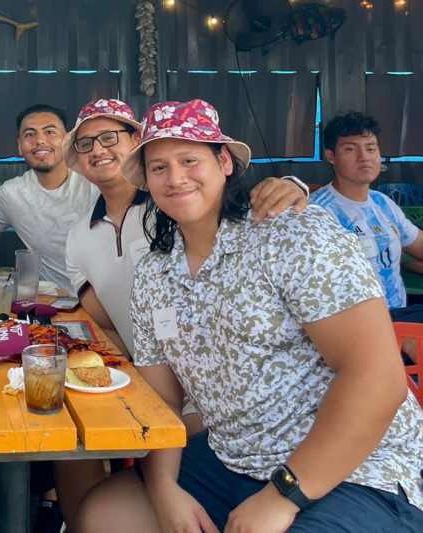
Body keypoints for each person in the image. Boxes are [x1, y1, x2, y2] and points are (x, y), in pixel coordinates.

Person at [75, 99, 423, 533]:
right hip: (233, 457)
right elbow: (164, 402)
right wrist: (163, 487)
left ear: (224, 162)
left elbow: (377, 378)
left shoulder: (294, 234)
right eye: (159, 167)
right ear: (146, 180)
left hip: (355, 467)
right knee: (103, 515)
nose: (175, 177)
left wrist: (285, 494)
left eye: (189, 159)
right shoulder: (154, 273)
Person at [56, 98, 309, 531]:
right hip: (158, 384)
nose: (97, 149)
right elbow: (108, 325)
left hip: (216, 407)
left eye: (109, 136)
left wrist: (294, 185)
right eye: (85, 143)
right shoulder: (81, 237)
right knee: (66, 431)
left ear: (137, 142)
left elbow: (250, 212)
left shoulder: (173, 207)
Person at [311, 112, 423, 363]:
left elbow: (418, 244)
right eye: (351, 149)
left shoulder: (382, 203)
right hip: (361, 332)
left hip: (401, 315)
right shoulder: (317, 213)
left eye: (371, 148)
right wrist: (395, 338)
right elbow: (322, 296)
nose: (364, 157)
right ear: (331, 157)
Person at [0, 104, 99, 293]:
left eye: (50, 132)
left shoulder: (94, 182)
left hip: (107, 300)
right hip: (58, 304)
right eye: (30, 134)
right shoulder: (12, 194)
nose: (40, 140)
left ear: (67, 140)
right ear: (20, 146)